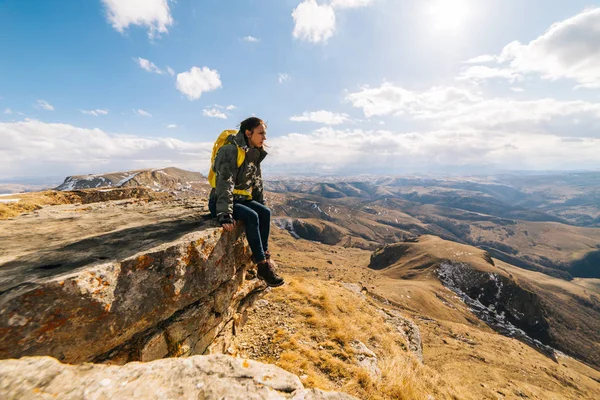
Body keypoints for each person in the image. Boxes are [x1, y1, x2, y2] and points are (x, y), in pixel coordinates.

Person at [208, 117, 284, 287]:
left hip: (240, 199)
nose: (264, 138)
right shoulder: (230, 150)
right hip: (221, 202)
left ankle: (264, 255)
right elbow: (224, 182)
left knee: (264, 212)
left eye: (265, 133)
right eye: (261, 133)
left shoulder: (253, 152)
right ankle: (262, 266)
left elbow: (257, 181)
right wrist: (224, 214)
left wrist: (260, 203)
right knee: (251, 216)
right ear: (248, 133)